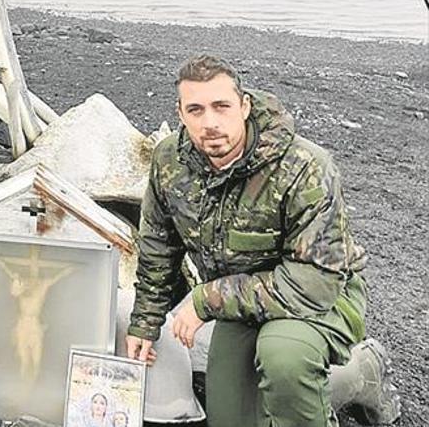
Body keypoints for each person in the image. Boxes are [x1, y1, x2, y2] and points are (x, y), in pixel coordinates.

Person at [125, 55, 399, 426]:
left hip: (322, 298)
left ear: (244, 105)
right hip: (242, 302)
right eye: (196, 109)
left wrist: (207, 299)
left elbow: (314, 284)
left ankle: (362, 373)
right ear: (181, 112)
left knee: (284, 357)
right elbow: (159, 247)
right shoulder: (170, 162)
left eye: (221, 106)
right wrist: (145, 323)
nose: (210, 122)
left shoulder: (304, 165)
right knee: (232, 418)